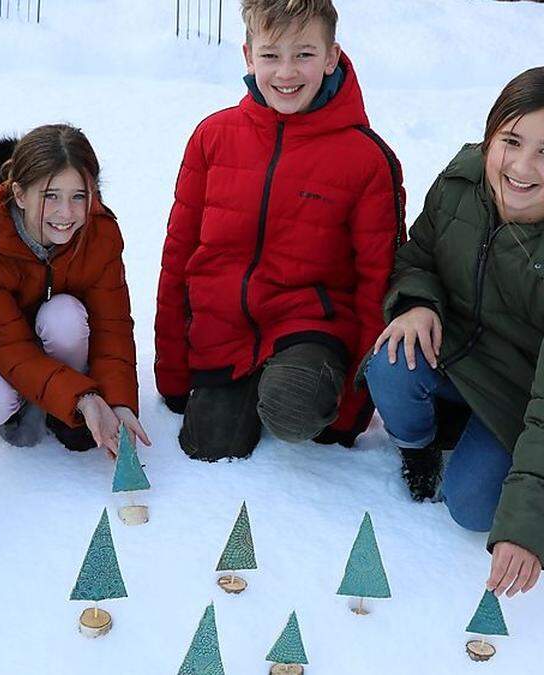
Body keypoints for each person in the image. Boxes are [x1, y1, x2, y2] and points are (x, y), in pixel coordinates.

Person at [362, 67, 544, 597]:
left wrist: (526, 529)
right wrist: (416, 302)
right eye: (512, 141)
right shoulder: (460, 183)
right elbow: (420, 253)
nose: (522, 166)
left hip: (521, 390)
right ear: (490, 135)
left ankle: (495, 448)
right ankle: (421, 444)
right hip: (453, 353)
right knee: (391, 360)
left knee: (473, 508)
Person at [155, 0, 404, 460]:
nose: (286, 72)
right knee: (209, 446)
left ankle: (291, 382)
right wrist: (173, 373)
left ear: (331, 57)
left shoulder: (365, 158)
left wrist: (353, 405)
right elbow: (179, 256)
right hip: (223, 326)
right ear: (248, 56)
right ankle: (246, 382)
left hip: (309, 324)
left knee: (292, 411)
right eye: (271, 55)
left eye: (304, 55)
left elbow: (377, 284)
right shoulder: (213, 136)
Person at [0, 124, 148, 457]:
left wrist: (120, 404)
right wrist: (84, 398)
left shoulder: (100, 233)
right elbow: (7, 346)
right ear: (19, 195)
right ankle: (29, 408)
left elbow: (112, 325)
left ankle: (66, 411)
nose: (66, 213)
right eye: (50, 196)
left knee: (65, 316)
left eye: (79, 196)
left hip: (58, 329)